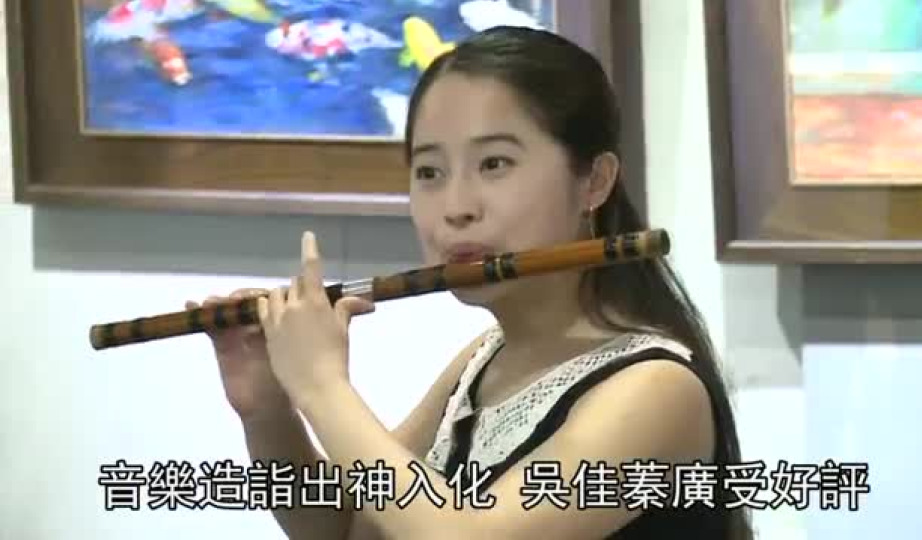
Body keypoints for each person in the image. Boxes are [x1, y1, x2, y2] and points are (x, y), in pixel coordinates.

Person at [188, 26, 753, 540]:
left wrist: (321, 386)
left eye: (494, 164)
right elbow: (349, 530)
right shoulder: (485, 359)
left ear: (594, 181)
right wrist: (269, 412)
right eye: (430, 172)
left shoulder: (656, 388)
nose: (455, 207)